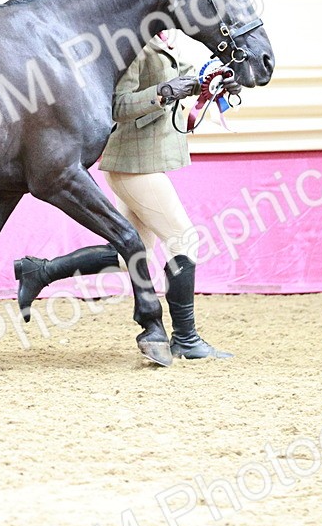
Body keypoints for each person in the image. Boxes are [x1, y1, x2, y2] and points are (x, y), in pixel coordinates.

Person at [14, 29, 231, 360]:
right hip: (133, 163)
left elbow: (190, 76)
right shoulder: (134, 45)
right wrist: (161, 93)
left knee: (130, 253)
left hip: (146, 160)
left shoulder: (169, 40)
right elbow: (116, 105)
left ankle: (40, 271)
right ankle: (185, 337)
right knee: (184, 239)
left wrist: (215, 82)